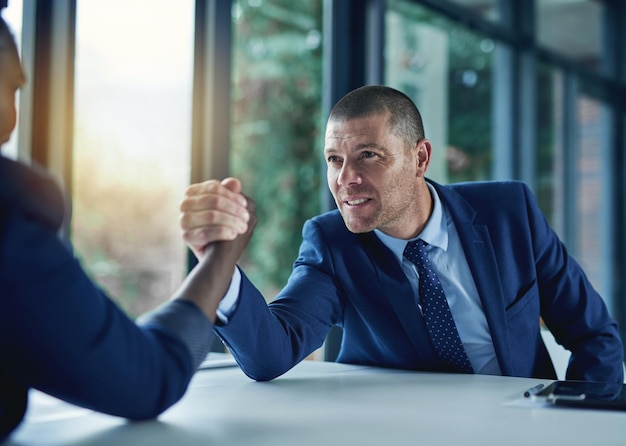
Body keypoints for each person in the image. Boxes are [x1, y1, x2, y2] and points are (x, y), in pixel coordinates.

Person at [180, 84, 624, 384]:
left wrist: (575, 417)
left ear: (420, 158)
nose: (345, 178)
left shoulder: (510, 212)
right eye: (334, 159)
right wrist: (218, 262)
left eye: (368, 155)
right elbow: (272, 353)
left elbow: (594, 335)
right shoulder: (331, 243)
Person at [0, 15, 254, 440]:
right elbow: (148, 379)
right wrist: (220, 259)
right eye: (11, 89)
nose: (13, 117)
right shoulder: (11, 221)